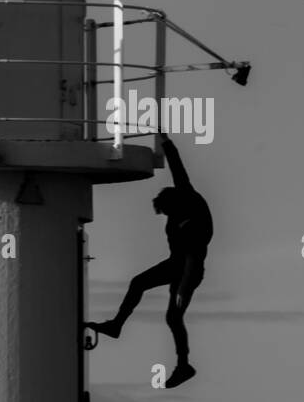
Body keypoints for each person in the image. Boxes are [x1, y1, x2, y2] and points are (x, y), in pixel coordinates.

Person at [87, 133, 212, 388]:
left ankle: (183, 365)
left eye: (166, 211)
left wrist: (184, 288)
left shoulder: (192, 216)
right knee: (138, 283)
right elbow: (178, 166)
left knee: (173, 318)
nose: (165, 216)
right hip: (176, 263)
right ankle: (116, 326)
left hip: (190, 268)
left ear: (174, 206)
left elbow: (193, 257)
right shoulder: (181, 192)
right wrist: (165, 141)